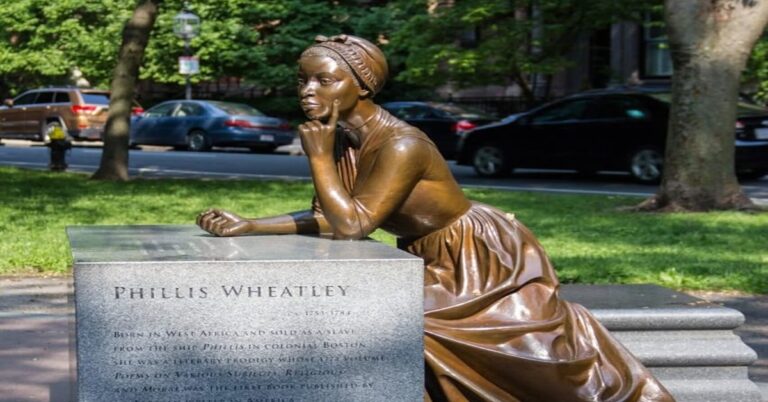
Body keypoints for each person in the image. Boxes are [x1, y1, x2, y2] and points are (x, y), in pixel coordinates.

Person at [197, 34, 674, 402]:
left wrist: (318, 159)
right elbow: (329, 215)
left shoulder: (402, 144)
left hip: (477, 257)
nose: (307, 90)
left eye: (324, 80)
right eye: (302, 79)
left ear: (362, 85)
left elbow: (354, 226)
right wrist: (252, 225)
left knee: (422, 324)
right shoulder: (340, 137)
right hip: (425, 253)